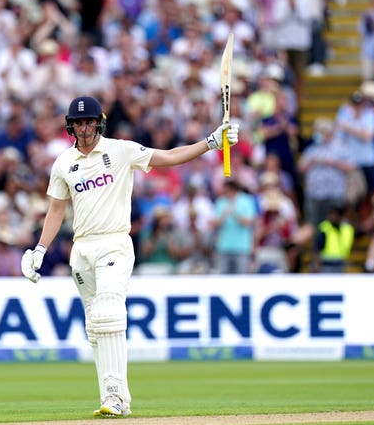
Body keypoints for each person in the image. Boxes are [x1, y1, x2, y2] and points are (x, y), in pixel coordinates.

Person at [20, 96, 238, 417]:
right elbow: (55, 209)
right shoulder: (63, 163)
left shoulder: (120, 151)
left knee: (109, 312)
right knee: (95, 326)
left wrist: (210, 142)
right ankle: (113, 397)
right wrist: (39, 249)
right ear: (71, 126)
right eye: (78, 122)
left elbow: (169, 156)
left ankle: (116, 398)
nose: (83, 127)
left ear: (99, 122)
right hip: (82, 249)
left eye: (89, 121)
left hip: (115, 243)